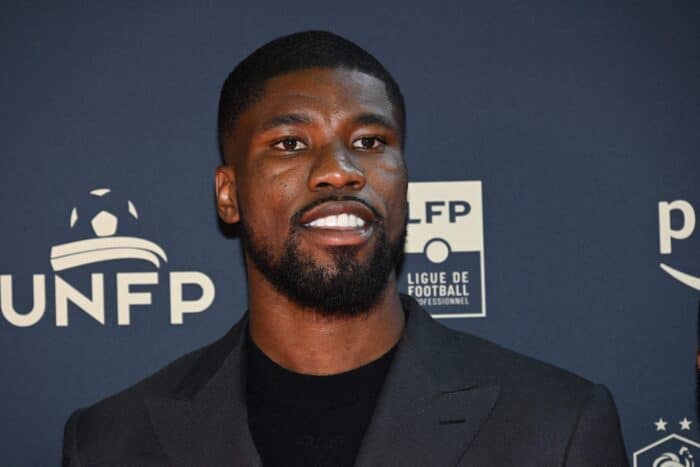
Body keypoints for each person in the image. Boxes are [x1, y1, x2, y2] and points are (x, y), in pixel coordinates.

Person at [62, 30, 629, 466]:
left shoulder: (556, 427)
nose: (340, 170)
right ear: (229, 195)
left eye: (370, 141)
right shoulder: (111, 442)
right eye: (290, 143)